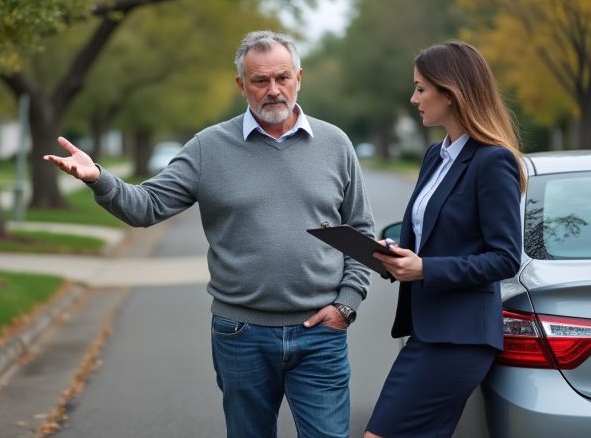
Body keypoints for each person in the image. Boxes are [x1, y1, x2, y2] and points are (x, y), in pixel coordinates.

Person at [44, 31, 375, 438]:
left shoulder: (335, 143)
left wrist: (346, 303)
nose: (273, 90)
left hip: (321, 334)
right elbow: (146, 206)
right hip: (241, 335)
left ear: (299, 78)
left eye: (283, 78)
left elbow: (360, 230)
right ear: (241, 85)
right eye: (260, 81)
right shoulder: (208, 148)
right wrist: (99, 179)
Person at [365, 40, 524, 438]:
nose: (413, 97)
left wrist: (424, 269)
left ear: (450, 93)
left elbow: (506, 258)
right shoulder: (436, 156)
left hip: (460, 339)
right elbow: (431, 237)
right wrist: (400, 257)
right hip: (427, 330)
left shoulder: (492, 160)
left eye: (421, 88)